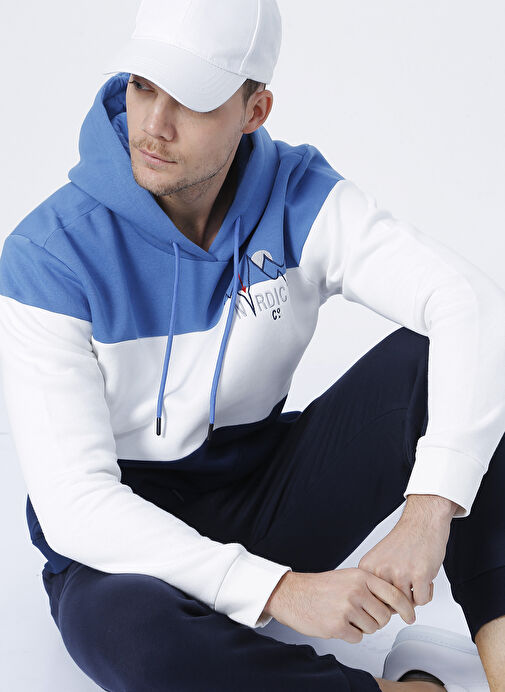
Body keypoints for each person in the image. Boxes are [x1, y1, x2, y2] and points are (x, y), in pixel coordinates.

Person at [1, 0, 504, 690]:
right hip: (124, 544)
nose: (153, 125)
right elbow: (76, 505)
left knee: (460, 363)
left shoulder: (298, 197)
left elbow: (473, 306)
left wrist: (430, 508)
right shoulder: (50, 253)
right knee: (129, 637)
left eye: (191, 99)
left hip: (261, 495)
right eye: (142, 85)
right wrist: (281, 591)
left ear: (254, 110)